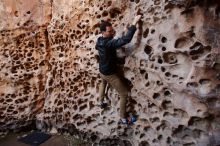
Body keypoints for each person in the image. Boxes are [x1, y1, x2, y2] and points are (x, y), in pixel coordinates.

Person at [95, 15, 142, 125]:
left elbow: (109, 43)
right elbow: (126, 40)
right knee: (124, 94)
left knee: (103, 82)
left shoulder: (100, 40)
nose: (112, 33)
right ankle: (123, 118)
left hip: (102, 69)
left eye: (112, 30)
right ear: (103, 32)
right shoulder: (108, 43)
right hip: (109, 73)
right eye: (109, 31)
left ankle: (101, 102)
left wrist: (120, 32)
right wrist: (134, 22)